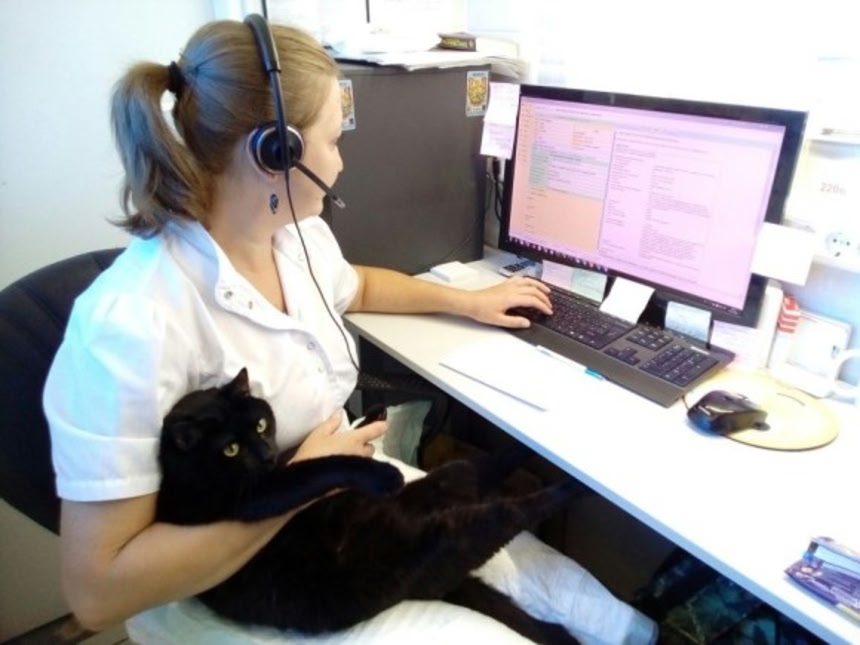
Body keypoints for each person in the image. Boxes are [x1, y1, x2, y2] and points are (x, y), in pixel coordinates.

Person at [43, 18, 657, 645]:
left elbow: (356, 286)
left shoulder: (295, 236)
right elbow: (98, 594)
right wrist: (301, 484)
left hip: (341, 507)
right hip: (247, 586)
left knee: (560, 587)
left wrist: (468, 302)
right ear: (273, 152)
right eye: (334, 141)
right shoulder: (130, 324)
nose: (341, 161)